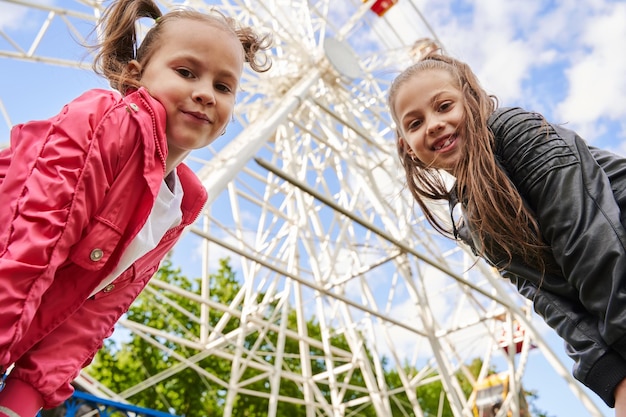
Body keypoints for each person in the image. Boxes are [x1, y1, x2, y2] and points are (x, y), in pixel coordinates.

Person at [0, 0, 271, 414]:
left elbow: (94, 310)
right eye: (186, 72)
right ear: (133, 76)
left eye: (223, 86)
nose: (204, 93)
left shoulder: (182, 205)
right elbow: (30, 248)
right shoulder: (104, 121)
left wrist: (25, 398)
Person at [387, 49, 626, 415]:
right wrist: (612, 378)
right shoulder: (471, 222)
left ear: (473, 101)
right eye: (415, 123)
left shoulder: (516, 132)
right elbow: (548, 298)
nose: (433, 124)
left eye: (444, 106)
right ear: (408, 148)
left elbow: (589, 243)